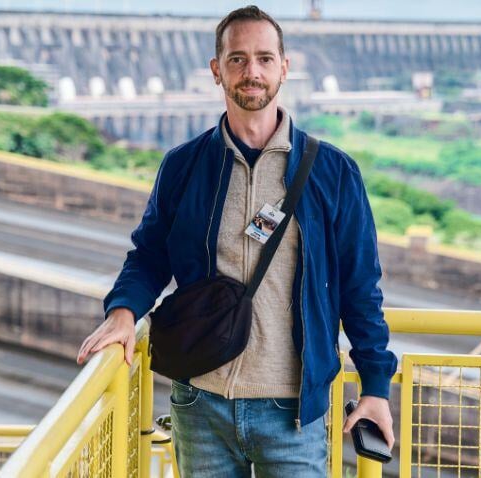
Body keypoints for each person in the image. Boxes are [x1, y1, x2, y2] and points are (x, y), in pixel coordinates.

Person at [77, 5, 397, 476]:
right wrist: (123, 311)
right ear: (216, 70)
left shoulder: (333, 172)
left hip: (292, 413)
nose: (253, 72)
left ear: (285, 69)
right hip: (200, 404)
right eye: (238, 59)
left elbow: (360, 287)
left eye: (265, 59)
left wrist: (375, 389)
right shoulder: (184, 166)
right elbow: (149, 255)